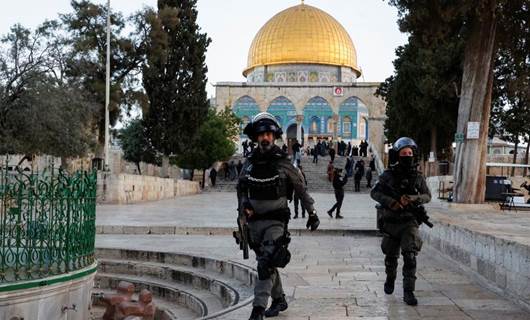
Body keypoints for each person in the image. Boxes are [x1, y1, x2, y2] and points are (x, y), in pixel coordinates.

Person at [238, 112, 320, 320]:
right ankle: (279, 299)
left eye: (268, 134)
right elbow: (241, 188)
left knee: (265, 263)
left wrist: (312, 212)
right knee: (268, 263)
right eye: (261, 135)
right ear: (256, 138)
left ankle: (257, 310)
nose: (265, 138)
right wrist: (243, 209)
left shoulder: (284, 163)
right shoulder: (249, 163)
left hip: (276, 221)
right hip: (254, 222)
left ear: (274, 137)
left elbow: (300, 188)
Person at [370, 137, 431, 306]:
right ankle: (390, 280)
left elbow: (427, 196)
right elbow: (374, 193)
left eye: (410, 153)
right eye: (404, 153)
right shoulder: (388, 175)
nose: (407, 156)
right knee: (391, 258)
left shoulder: (418, 177)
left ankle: (408, 291)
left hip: (409, 222)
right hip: (391, 221)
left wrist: (413, 198)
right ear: (397, 155)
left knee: (410, 256)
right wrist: (391, 202)